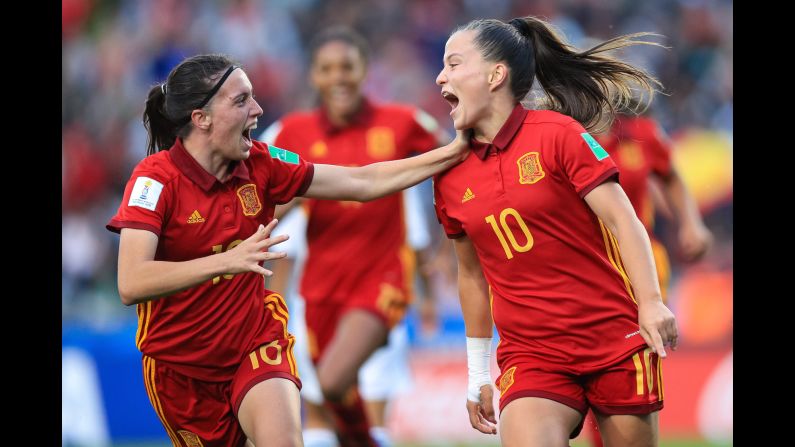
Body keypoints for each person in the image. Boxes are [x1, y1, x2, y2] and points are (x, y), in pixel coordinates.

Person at [105, 53, 467, 447]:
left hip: (255, 342)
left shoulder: (262, 163)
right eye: (241, 101)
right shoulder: (154, 180)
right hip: (180, 370)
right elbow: (132, 281)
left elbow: (361, 182)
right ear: (201, 118)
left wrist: (453, 152)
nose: (258, 110)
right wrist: (225, 261)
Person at [431, 16, 678, 446]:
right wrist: (476, 374)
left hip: (612, 340)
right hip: (532, 355)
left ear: (496, 75)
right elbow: (471, 275)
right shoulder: (449, 174)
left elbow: (624, 220)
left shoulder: (559, 134)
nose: (440, 77)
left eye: (453, 65)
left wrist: (652, 303)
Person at [261, 27, 448, 447]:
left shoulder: (400, 122)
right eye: (327, 69)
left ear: (365, 71)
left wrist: (452, 236)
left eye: (348, 67)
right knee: (330, 399)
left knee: (332, 379)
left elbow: (455, 155)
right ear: (313, 76)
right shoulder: (292, 133)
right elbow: (258, 193)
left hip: (382, 280)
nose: (339, 77)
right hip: (319, 289)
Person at [582, 106, 713, 447]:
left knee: (636, 351)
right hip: (588, 265)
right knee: (592, 357)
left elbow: (670, 173)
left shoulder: (642, 133)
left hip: (643, 261)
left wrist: (691, 222)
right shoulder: (566, 135)